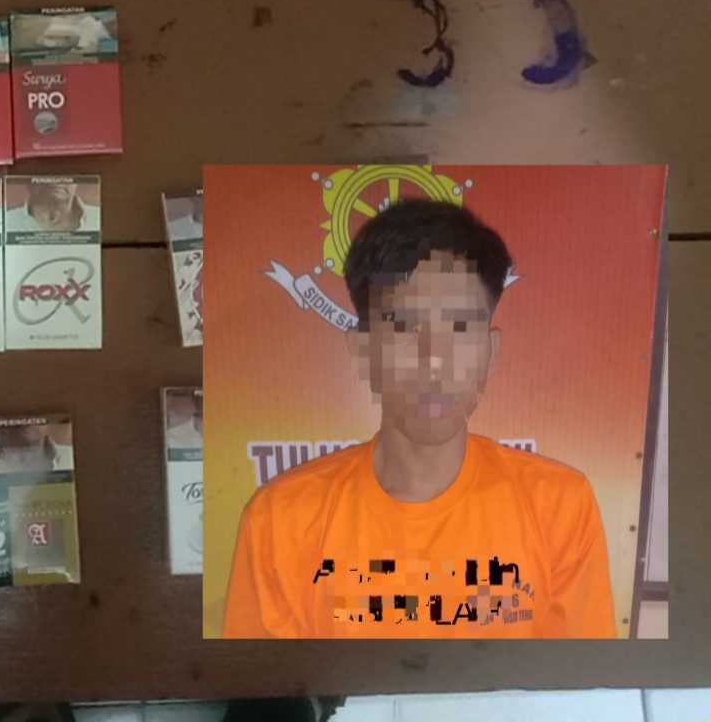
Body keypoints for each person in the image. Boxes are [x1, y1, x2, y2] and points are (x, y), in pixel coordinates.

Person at [224, 199, 616, 638]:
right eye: (403, 325)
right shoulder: (281, 521)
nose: (434, 360)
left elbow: (579, 680)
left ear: (492, 354)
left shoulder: (559, 507)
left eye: (461, 327)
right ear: (363, 352)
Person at [6, 181, 101, 233]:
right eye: (44, 170)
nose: (57, 179)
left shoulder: (100, 218)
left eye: (66, 170)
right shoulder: (6, 222)